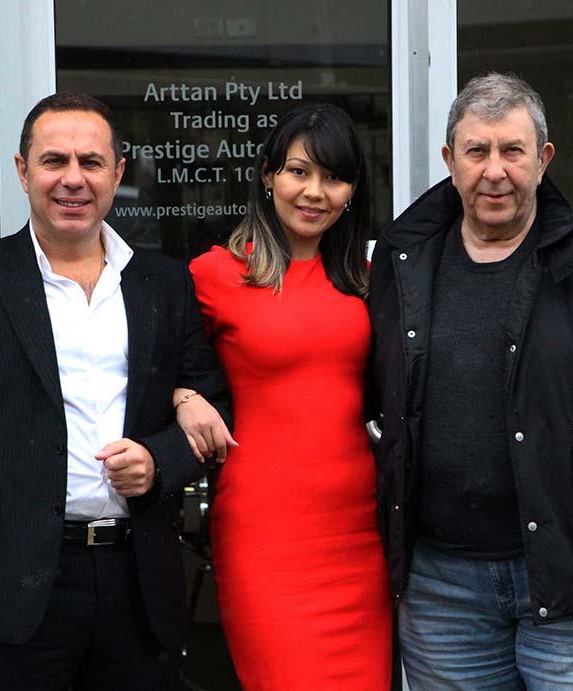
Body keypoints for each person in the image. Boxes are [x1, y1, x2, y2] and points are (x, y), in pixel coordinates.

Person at [369, 72, 573, 689]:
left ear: (543, 160)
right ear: (449, 160)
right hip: (442, 592)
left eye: (512, 151)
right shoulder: (405, 258)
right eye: (477, 151)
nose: (495, 171)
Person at [0, 92, 231, 690]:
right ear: (23, 171)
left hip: (136, 584)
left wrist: (159, 461)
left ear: (117, 174)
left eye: (91, 162)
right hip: (8, 587)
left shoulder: (163, 283)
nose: (73, 179)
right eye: (54, 161)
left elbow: (215, 405)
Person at [178, 102, 392, 690]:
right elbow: (147, 363)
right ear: (268, 175)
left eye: (334, 177)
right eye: (299, 171)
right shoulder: (217, 275)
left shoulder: (367, 280)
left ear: (353, 189)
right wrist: (181, 396)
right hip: (264, 536)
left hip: (359, 536)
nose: (314, 192)